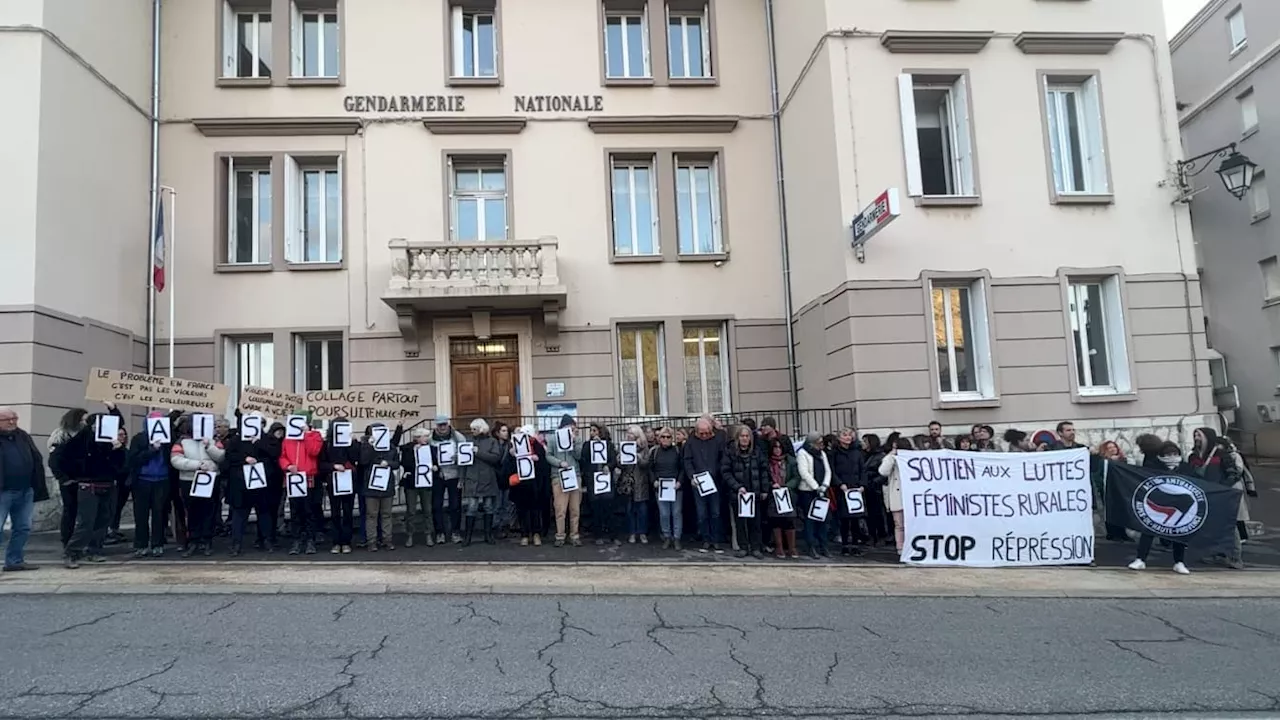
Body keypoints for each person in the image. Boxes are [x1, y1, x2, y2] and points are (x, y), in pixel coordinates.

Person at [54, 408, 127, 568]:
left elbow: (121, 464)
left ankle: (94, 550)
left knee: (103, 521)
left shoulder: (110, 441)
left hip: (108, 484)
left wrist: (118, 449)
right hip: (88, 485)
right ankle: (72, 552)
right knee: (86, 522)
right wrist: (65, 478)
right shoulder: (83, 439)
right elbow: (58, 458)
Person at [1129, 441, 1195, 575]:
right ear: (1161, 455)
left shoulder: (1186, 468)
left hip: (1179, 505)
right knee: (1148, 531)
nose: (1171, 456)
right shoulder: (1153, 467)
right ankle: (1140, 559)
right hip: (1159, 503)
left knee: (1179, 533)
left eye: (1174, 454)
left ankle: (1179, 562)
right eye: (1168, 454)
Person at [0, 406, 49, 572]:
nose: (12, 422)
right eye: (7, 419)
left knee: (23, 527)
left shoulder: (22, 436)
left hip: (25, 489)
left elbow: (35, 457)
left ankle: (14, 561)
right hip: (3, 491)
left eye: (14, 418)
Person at [170, 415, 226, 557]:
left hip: (210, 479)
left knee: (209, 511)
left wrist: (209, 446)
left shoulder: (214, 441)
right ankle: (193, 541)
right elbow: (175, 460)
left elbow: (221, 457)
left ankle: (207, 541)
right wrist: (197, 465)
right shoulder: (182, 441)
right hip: (189, 480)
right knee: (192, 512)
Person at [126, 411, 173, 557]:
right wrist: (152, 450)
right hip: (142, 481)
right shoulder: (139, 439)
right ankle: (141, 544)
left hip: (162, 480)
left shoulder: (168, 440)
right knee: (141, 514)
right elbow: (133, 460)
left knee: (159, 514)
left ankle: (157, 543)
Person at [280, 413, 324, 555]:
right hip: (293, 478)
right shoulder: (288, 439)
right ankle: (296, 539)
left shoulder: (315, 436)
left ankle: (310, 539)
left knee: (309, 510)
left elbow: (314, 451)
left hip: (308, 477)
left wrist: (307, 434)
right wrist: (288, 466)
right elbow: (282, 456)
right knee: (295, 511)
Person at [722, 425, 768, 559]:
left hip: (755, 492)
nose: (745, 438)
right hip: (738, 494)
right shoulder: (730, 452)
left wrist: (764, 489)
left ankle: (756, 548)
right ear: (738, 438)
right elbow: (726, 472)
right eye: (742, 436)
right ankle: (743, 547)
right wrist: (737, 487)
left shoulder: (757, 452)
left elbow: (764, 472)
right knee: (740, 523)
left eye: (747, 436)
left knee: (755, 522)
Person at [220, 413, 263, 557]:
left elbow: (271, 455)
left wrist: (258, 444)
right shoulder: (235, 441)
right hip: (239, 485)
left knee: (262, 514)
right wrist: (245, 459)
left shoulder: (261, 441)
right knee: (239, 516)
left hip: (257, 484)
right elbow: (228, 458)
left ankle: (264, 540)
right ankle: (236, 543)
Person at [683, 418, 725, 553]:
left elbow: (722, 459)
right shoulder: (691, 443)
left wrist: (716, 472)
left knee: (715, 512)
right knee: (702, 513)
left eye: (707, 433)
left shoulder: (717, 441)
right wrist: (692, 477)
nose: (704, 436)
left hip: (715, 481)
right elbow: (687, 461)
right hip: (699, 482)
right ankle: (706, 539)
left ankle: (716, 540)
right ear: (696, 432)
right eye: (701, 433)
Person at [47, 407, 87, 549]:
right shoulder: (61, 435)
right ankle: (66, 539)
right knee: (70, 510)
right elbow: (54, 460)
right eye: (82, 419)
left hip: (83, 478)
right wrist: (63, 478)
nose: (84, 423)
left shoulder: (84, 434)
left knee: (83, 512)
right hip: (67, 479)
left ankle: (79, 541)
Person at [505, 425, 550, 546]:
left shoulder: (538, 447)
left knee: (535, 510)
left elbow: (544, 466)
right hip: (521, 484)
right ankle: (524, 534)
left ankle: (536, 533)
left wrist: (537, 459)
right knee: (522, 510)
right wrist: (511, 455)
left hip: (535, 484)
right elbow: (508, 466)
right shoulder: (515, 447)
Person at [359, 422, 400, 552]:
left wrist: (387, 463)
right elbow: (363, 461)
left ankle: (387, 540)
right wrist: (370, 445)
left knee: (386, 514)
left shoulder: (390, 447)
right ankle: (372, 541)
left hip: (386, 484)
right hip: (371, 486)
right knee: (371, 515)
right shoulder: (366, 446)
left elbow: (397, 463)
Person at [324, 416, 363, 553]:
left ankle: (346, 541)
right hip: (334, 480)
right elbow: (322, 464)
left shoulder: (351, 443)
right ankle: (336, 542)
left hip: (349, 479)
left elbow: (356, 458)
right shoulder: (327, 444)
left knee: (347, 512)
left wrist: (352, 442)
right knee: (335, 512)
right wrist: (334, 466)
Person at [461, 418, 502, 546]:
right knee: (471, 507)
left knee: (488, 507)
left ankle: (488, 535)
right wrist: (462, 479)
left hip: (487, 478)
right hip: (472, 478)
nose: (472, 431)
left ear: (481, 429)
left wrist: (478, 452)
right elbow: (463, 462)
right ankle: (467, 537)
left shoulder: (492, 442)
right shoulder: (468, 441)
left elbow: (495, 458)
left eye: (474, 429)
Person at [428, 414, 468, 545]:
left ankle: (456, 532)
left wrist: (461, 475)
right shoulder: (430, 439)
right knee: (436, 505)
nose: (443, 427)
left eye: (444, 424)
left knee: (455, 505)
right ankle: (439, 532)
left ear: (448, 424)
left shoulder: (458, 437)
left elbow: (465, 456)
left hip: (454, 474)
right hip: (438, 476)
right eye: (440, 425)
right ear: (436, 426)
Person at [580, 423, 619, 546]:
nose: (592, 433)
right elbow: (584, 458)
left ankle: (612, 535)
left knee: (608, 507)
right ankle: (598, 535)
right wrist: (593, 444)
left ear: (600, 432)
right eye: (591, 431)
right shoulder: (587, 445)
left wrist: (608, 466)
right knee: (596, 508)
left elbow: (613, 460)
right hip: (593, 480)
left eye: (594, 431)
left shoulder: (609, 445)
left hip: (605, 479)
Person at [548, 415, 583, 547]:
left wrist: (573, 443)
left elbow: (579, 456)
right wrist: (559, 463)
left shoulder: (577, 439)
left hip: (575, 475)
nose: (572, 429)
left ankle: (574, 535)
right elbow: (548, 455)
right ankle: (560, 535)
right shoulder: (552, 439)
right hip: (558, 475)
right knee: (560, 508)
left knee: (575, 509)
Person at [796, 431, 832, 558]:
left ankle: (823, 545)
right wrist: (816, 487)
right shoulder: (802, 453)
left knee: (822, 519)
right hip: (808, 491)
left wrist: (825, 485)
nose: (821, 445)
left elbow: (828, 470)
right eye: (819, 443)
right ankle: (811, 546)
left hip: (822, 490)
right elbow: (804, 473)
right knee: (810, 520)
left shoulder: (822, 454)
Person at [830, 427, 865, 556]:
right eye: (845, 435)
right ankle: (845, 544)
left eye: (850, 435)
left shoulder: (857, 453)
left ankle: (855, 544)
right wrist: (839, 484)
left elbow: (862, 470)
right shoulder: (834, 453)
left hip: (856, 489)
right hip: (842, 489)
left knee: (855, 519)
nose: (848, 437)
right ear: (839, 438)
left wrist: (862, 485)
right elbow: (832, 471)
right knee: (844, 519)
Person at [764, 437, 800, 559]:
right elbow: (765, 478)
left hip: (787, 493)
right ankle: (779, 547)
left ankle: (792, 547)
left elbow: (796, 477)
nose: (777, 450)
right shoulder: (767, 462)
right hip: (774, 494)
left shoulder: (790, 461)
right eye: (775, 447)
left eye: (779, 447)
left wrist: (786, 486)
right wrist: (772, 485)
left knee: (789, 520)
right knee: (775, 520)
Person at [401, 427, 436, 549]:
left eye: (427, 436)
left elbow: (435, 463)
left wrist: (435, 468)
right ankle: (409, 534)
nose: (427, 439)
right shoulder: (407, 448)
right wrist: (414, 453)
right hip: (412, 483)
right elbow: (405, 464)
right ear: (417, 437)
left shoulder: (431, 449)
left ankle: (428, 534)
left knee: (427, 509)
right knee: (411, 510)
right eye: (425, 436)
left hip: (425, 482)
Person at [252, 421, 285, 552]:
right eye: (278, 431)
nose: (280, 434)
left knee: (272, 510)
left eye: (282, 431)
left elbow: (275, 453)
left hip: (274, 481)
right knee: (264, 510)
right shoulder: (266, 441)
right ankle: (264, 537)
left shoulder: (266, 442)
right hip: (265, 480)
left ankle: (269, 536)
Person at [617, 425, 652, 544]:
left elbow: (646, 464)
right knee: (629, 509)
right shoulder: (624, 446)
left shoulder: (644, 448)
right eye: (627, 433)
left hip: (640, 482)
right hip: (628, 482)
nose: (628, 435)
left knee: (642, 509)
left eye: (630, 433)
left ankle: (642, 533)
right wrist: (620, 458)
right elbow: (620, 464)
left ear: (637, 435)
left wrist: (638, 458)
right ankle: (632, 533)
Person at [650, 426, 683, 551]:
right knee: (664, 514)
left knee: (676, 513)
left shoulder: (677, 451)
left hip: (675, 487)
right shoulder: (655, 452)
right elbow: (650, 468)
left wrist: (680, 481)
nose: (665, 439)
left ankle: (677, 538)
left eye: (668, 437)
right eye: (663, 437)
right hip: (661, 487)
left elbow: (682, 468)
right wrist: (654, 481)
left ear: (672, 438)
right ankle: (667, 536)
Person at [880, 436, 913, 555]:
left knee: (911, 524)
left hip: (911, 496)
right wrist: (891, 456)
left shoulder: (913, 458)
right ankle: (900, 548)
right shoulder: (892, 459)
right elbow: (883, 471)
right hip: (898, 495)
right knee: (899, 524)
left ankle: (911, 546)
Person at [860, 433, 889, 546]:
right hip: (866, 487)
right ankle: (872, 535)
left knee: (878, 514)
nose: (863, 444)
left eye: (865, 441)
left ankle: (881, 535)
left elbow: (883, 473)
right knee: (868, 514)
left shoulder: (880, 456)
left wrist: (873, 482)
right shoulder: (863, 455)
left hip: (876, 488)